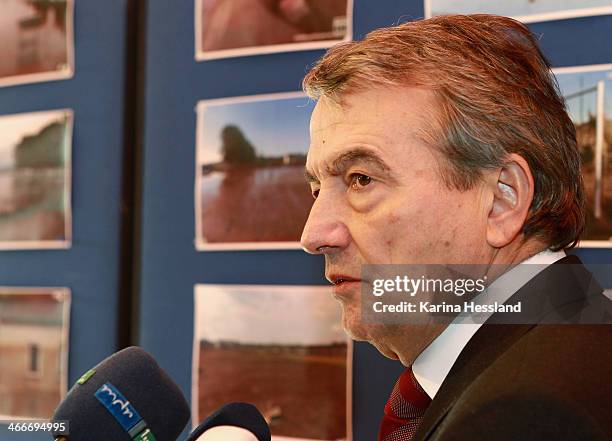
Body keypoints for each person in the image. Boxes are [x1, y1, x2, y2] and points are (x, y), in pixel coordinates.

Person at [299, 14, 612, 441]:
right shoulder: (571, 350)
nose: (313, 235)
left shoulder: (524, 415)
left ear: (502, 199)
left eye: (361, 179)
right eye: (317, 189)